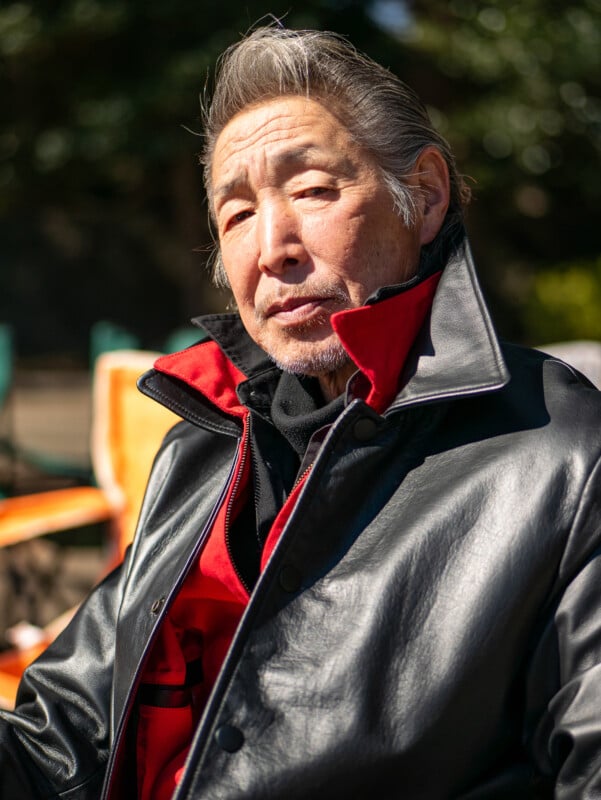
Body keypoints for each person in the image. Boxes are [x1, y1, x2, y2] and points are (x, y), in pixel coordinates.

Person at [2, 23, 601, 800]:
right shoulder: (203, 450)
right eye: (237, 213)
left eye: (313, 189)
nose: (273, 246)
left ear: (421, 197)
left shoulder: (561, 457)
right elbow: (60, 742)